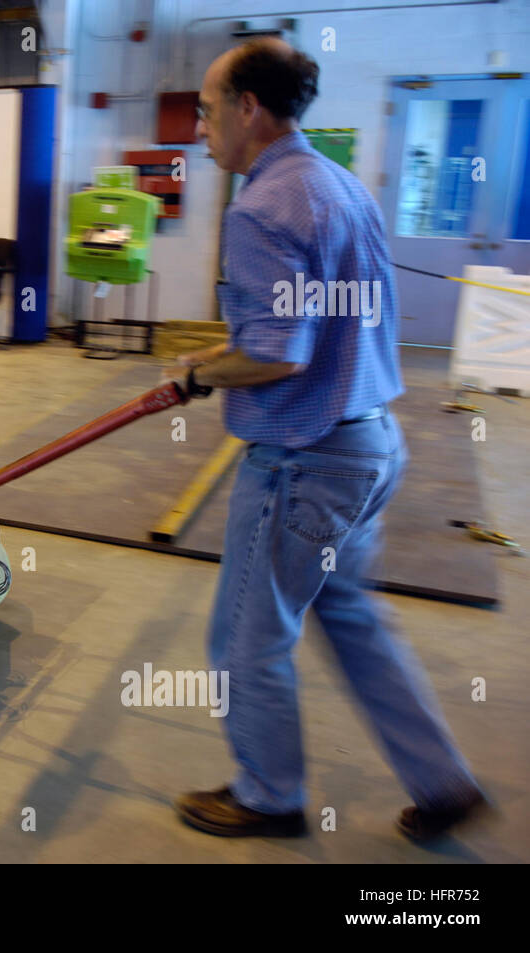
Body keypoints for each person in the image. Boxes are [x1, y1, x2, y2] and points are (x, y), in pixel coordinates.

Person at [162, 38, 486, 842]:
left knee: (245, 638)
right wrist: (211, 355)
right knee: (352, 615)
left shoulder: (260, 207)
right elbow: (318, 324)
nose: (199, 129)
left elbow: (277, 350)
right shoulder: (340, 186)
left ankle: (269, 796)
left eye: (206, 110)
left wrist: (206, 375)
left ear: (248, 108)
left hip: (302, 464)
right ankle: (444, 782)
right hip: (369, 445)